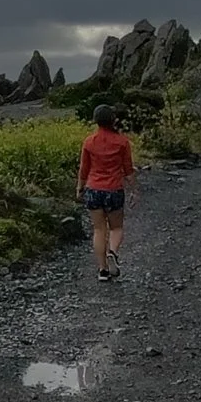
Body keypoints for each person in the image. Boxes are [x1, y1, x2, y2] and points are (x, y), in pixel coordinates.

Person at [79, 104, 136, 281]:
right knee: (116, 228)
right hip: (114, 189)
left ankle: (102, 270)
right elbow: (128, 169)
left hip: (93, 189)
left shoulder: (89, 142)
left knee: (98, 229)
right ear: (113, 119)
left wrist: (79, 188)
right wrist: (134, 190)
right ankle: (112, 252)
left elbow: (84, 168)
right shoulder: (122, 142)